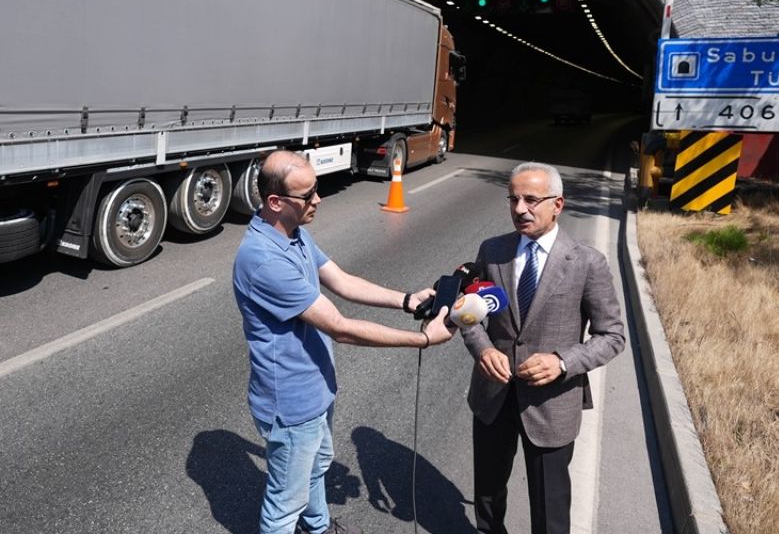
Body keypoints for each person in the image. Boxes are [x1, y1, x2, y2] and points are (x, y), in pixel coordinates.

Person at [233, 150, 457, 534]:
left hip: (316, 389)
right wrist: (421, 339)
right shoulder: (264, 260)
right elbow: (340, 327)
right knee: (284, 506)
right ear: (275, 202)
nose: (318, 200)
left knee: (316, 469)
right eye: (308, 195)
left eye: (316, 190)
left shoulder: (294, 234)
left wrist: (406, 300)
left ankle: (319, 528)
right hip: (291, 402)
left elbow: (343, 281)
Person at [460, 162, 624, 534]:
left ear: (558, 204)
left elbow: (612, 335)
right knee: (487, 497)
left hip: (551, 406)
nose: (520, 209)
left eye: (531, 200)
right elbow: (470, 315)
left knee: (550, 512)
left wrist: (563, 361)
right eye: (513, 199)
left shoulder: (586, 262)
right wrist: (483, 349)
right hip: (493, 399)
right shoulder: (493, 251)